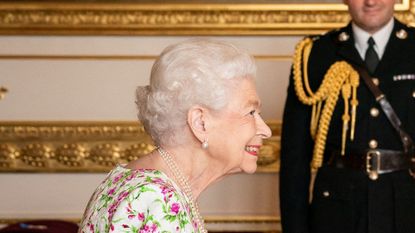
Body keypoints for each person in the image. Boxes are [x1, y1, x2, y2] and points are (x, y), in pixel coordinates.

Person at [78, 39, 272, 233]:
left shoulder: (145, 185)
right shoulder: (158, 200)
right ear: (200, 123)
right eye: (251, 113)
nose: (266, 130)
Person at [279, 0, 415, 232]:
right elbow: (295, 157)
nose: (371, 1)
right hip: (336, 211)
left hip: (406, 209)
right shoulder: (316, 54)